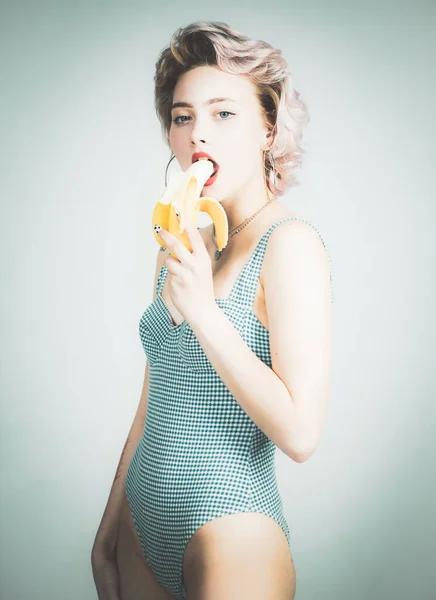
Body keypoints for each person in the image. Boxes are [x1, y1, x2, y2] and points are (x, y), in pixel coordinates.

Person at [92, 20, 333, 600]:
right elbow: (158, 390)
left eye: (224, 113)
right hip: (141, 522)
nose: (200, 133)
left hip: (229, 531)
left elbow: (301, 434)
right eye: (183, 116)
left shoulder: (289, 243)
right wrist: (107, 528)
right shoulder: (184, 241)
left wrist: (204, 311)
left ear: (268, 128)